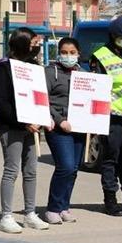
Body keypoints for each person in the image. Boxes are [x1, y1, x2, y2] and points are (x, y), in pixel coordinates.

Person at [0, 27, 49, 234]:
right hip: (12, 127)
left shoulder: (34, 67)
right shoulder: (4, 68)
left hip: (33, 128)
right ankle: (6, 215)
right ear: (22, 43)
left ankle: (30, 213)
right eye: (33, 43)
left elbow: (40, 96)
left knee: (31, 170)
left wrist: (42, 118)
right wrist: (24, 122)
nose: (36, 47)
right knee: (11, 170)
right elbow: (0, 102)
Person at [90, 16, 122, 216]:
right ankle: (110, 200)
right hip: (113, 116)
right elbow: (96, 88)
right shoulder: (101, 56)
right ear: (113, 36)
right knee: (111, 158)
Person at [44, 37, 87, 224]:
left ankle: (64, 206)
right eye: (64, 52)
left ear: (78, 54)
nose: (68, 56)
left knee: (74, 169)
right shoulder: (49, 72)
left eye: (72, 52)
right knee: (66, 166)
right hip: (58, 128)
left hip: (79, 127)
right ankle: (52, 208)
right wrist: (59, 120)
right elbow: (43, 99)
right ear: (58, 53)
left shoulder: (84, 74)